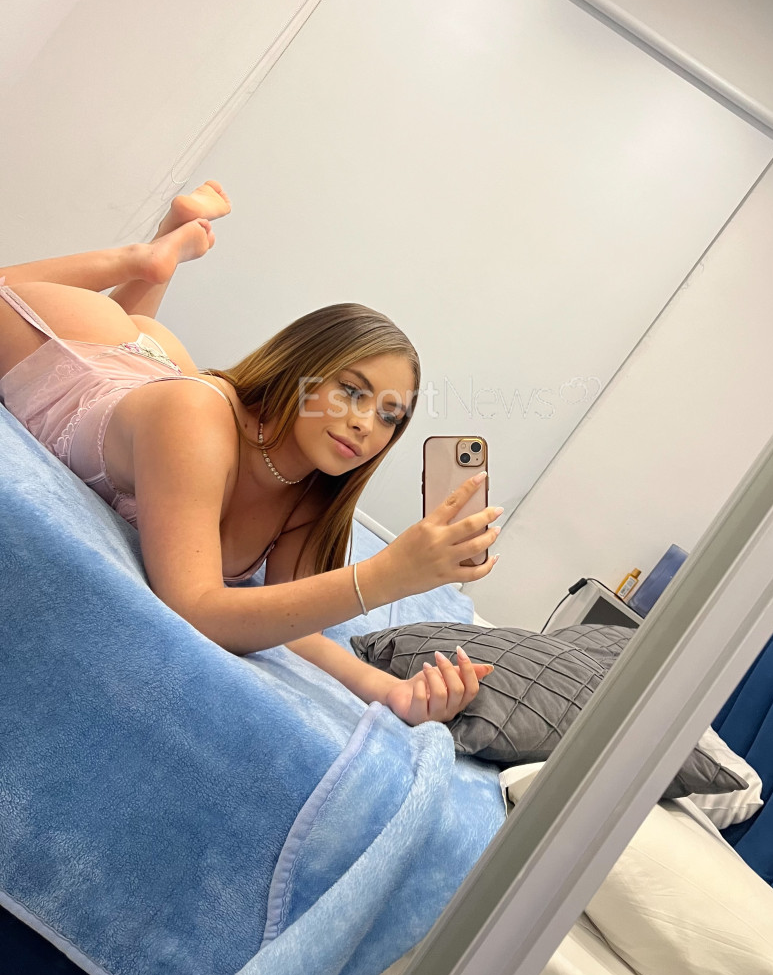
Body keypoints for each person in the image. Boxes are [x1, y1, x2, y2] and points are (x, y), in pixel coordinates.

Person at [0, 181, 502, 726]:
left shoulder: (310, 489)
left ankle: (167, 244)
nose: (365, 424)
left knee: (144, 350)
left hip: (156, 370)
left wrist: (393, 692)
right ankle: (142, 260)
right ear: (301, 368)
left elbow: (291, 625)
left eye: (389, 416)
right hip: (78, 354)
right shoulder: (195, 417)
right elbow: (194, 607)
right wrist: (387, 575)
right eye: (352, 391)